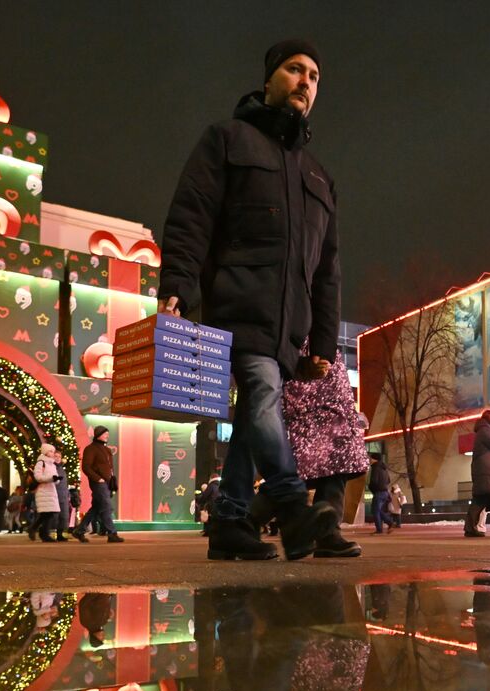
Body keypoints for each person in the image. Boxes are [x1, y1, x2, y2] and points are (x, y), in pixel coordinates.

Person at [159, 39, 339, 561]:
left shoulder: (320, 176)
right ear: (269, 79)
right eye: (294, 69)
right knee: (260, 391)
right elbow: (191, 216)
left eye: (314, 76)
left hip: (288, 325)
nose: (305, 81)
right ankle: (290, 503)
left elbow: (328, 267)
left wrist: (322, 339)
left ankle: (231, 521)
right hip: (237, 303)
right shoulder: (227, 139)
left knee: (254, 413)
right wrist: (177, 286)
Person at [249, 343, 366, 556]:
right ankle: (249, 521)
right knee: (297, 467)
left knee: (337, 456)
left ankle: (328, 533)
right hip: (298, 359)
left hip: (325, 365)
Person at [73, 425, 124, 543]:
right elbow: (86, 467)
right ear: (98, 434)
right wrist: (98, 479)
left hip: (107, 483)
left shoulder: (106, 450)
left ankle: (79, 531)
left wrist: (111, 480)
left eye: (107, 433)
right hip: (98, 483)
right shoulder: (90, 449)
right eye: (105, 434)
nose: (108, 435)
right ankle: (112, 533)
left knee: (96, 508)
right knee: (106, 506)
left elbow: (110, 468)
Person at [31, 443, 61, 542]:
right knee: (47, 513)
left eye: (53, 451)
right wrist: (50, 478)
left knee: (49, 513)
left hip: (51, 491)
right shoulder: (41, 463)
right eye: (50, 451)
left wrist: (56, 479)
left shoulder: (52, 464)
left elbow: (55, 479)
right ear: (45, 452)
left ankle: (36, 529)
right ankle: (43, 533)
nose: (53, 453)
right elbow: (38, 477)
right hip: (43, 491)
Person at [368, 452, 391, 535]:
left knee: (375, 511)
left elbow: (373, 481)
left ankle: (380, 529)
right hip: (385, 492)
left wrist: (371, 488)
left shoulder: (375, 467)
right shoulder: (384, 468)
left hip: (379, 492)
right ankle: (389, 522)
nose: (369, 460)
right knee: (377, 510)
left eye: (370, 458)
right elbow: (388, 480)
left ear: (375, 459)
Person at [52, 450, 72, 542]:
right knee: (55, 517)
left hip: (63, 496)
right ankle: (53, 534)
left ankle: (60, 534)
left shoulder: (62, 469)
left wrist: (67, 495)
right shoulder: (51, 468)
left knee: (63, 516)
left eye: (59, 457)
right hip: (55, 495)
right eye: (55, 456)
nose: (57, 458)